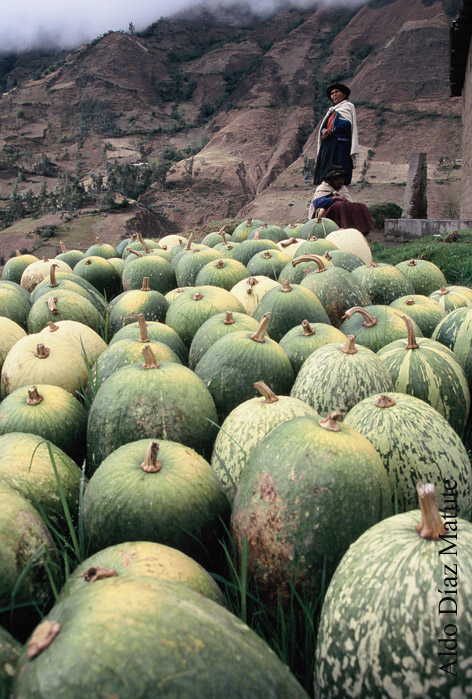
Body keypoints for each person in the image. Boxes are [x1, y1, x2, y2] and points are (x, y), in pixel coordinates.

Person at [312, 83, 359, 186]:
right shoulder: (332, 111)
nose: (334, 95)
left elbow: (346, 124)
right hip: (328, 144)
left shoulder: (347, 106)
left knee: (338, 171)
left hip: (339, 145)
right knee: (326, 172)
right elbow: (325, 126)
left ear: (344, 94)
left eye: (337, 92)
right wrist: (324, 131)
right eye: (332, 93)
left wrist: (331, 131)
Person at [308, 166, 373, 235]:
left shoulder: (342, 189)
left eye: (342, 179)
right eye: (338, 179)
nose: (341, 181)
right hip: (325, 217)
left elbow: (349, 202)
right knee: (339, 205)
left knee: (360, 206)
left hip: (340, 214)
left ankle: (361, 231)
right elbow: (317, 204)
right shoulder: (323, 188)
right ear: (331, 179)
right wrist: (334, 198)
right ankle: (343, 230)